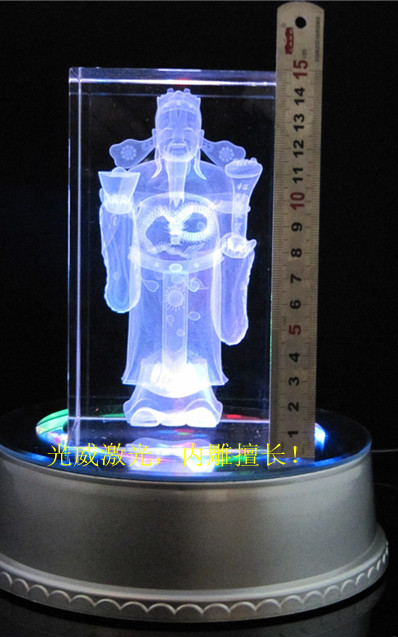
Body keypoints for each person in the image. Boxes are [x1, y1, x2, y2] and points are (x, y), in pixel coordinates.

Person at [98, 88, 262, 427]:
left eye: (186, 129)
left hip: (202, 279)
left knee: (200, 338)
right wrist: (115, 210)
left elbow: (233, 233)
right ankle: (147, 398)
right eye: (169, 129)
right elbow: (119, 228)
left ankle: (200, 398)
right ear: (155, 134)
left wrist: (235, 250)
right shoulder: (139, 178)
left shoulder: (218, 180)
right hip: (151, 279)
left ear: (199, 136)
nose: (177, 137)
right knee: (151, 337)